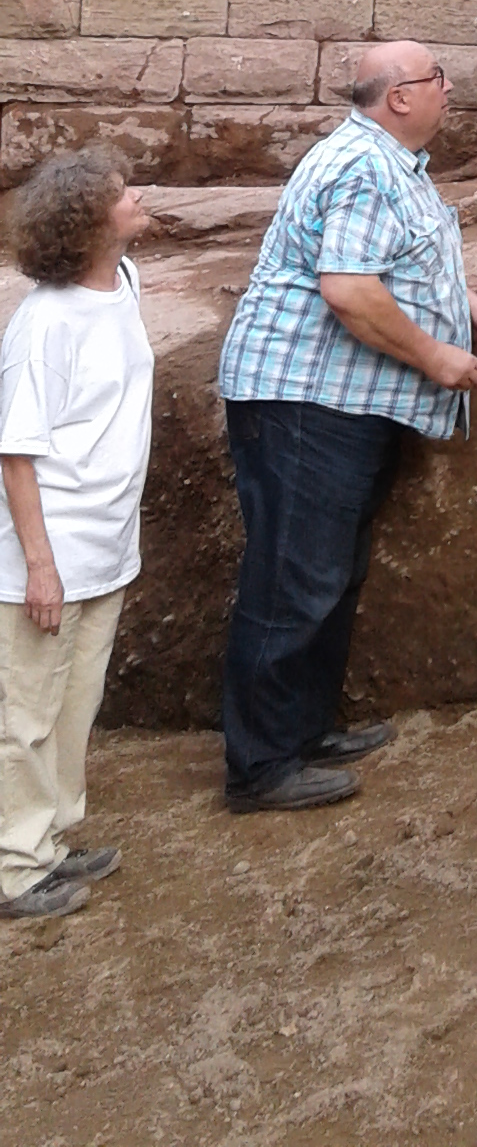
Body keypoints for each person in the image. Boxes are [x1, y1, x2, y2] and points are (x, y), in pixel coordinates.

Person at [217, 41, 477, 814]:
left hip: (337, 402)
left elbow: (393, 258)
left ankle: (302, 732)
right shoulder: (363, 165)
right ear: (399, 98)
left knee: (328, 574)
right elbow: (349, 288)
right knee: (293, 581)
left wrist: (465, 303)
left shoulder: (392, 163)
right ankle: (261, 767)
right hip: (305, 402)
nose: (449, 87)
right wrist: (436, 356)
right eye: (435, 77)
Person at [0, 148, 153, 923]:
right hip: (48, 553)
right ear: (89, 222)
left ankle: (50, 839)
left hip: (105, 547)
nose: (138, 198)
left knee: (72, 706)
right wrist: (40, 565)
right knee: (24, 715)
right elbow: (15, 453)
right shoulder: (44, 325)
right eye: (123, 194)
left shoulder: (125, 282)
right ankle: (15, 868)